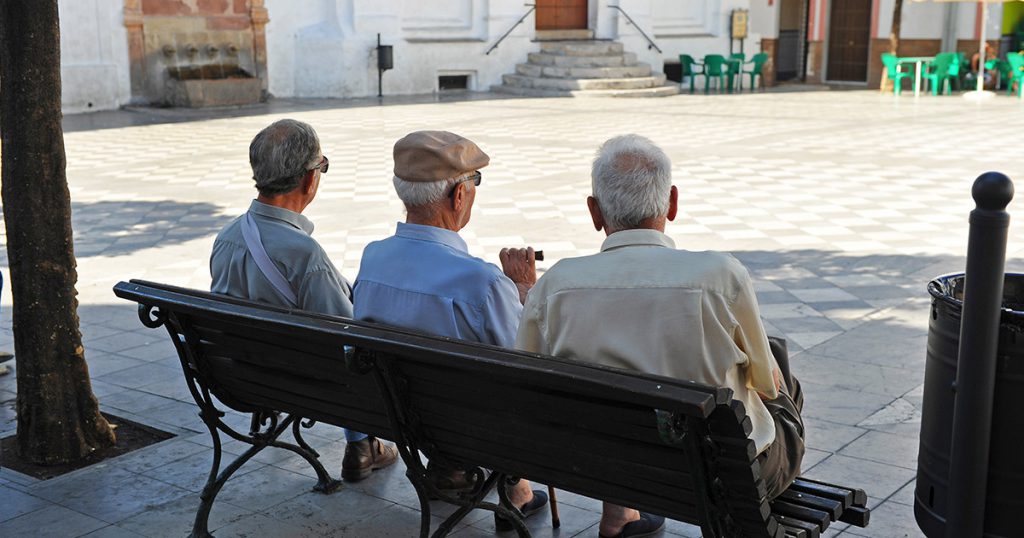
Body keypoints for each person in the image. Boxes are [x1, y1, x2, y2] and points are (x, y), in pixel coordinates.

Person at [516, 135, 805, 538]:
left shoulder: (555, 286)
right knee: (778, 367)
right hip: (721, 473)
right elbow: (765, 384)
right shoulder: (721, 276)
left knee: (614, 388)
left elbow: (530, 382)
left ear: (595, 212)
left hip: (607, 465)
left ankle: (620, 512)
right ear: (671, 203)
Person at [353, 130, 547, 529]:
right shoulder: (484, 283)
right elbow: (524, 367)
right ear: (458, 196)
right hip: (468, 429)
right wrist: (523, 291)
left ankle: (465, 475)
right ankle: (516, 491)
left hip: (399, 417)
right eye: (474, 183)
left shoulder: (372, 260)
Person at [210, 118, 397, 482]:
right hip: (299, 385)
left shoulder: (227, 237)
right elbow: (349, 339)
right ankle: (363, 443)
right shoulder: (304, 254)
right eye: (322, 165)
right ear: (310, 179)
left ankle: (360, 444)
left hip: (239, 375)